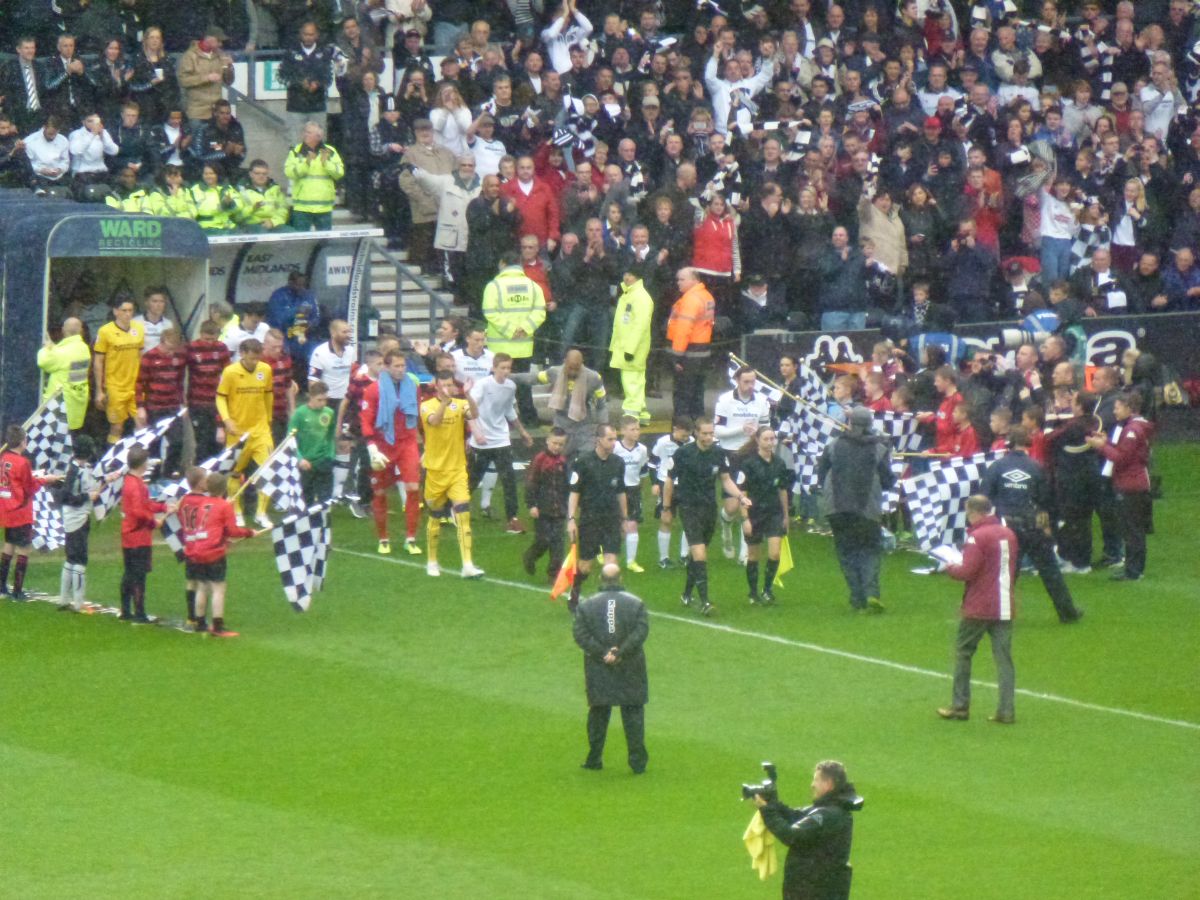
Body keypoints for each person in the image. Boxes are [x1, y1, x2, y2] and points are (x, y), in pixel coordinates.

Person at [980, 426, 1084, 623]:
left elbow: (985, 497)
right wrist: (1049, 526)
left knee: (1006, 574)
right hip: (1034, 527)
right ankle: (1067, 612)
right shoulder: (1037, 467)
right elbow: (1047, 499)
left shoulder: (997, 467)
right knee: (1050, 572)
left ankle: (994, 613)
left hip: (1007, 528)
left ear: (1008, 444)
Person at [938, 495, 1018, 725]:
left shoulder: (977, 537)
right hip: (1005, 605)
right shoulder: (1008, 534)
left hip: (979, 606)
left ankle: (960, 706)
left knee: (964, 652)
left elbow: (967, 571)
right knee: (1004, 659)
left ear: (973, 512)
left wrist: (950, 567)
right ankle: (1006, 710)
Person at [663, 416, 749, 618]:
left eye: (711, 433)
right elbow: (669, 480)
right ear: (696, 433)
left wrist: (739, 496)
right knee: (700, 554)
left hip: (709, 508)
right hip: (689, 507)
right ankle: (705, 601)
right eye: (705, 433)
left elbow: (726, 480)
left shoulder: (719, 454)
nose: (709, 437)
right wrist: (667, 507)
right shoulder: (683, 454)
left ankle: (686, 593)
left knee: (697, 555)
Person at [572, 563, 649, 774]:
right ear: (621, 579)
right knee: (633, 713)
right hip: (630, 665)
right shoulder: (636, 604)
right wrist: (619, 652)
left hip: (599, 666)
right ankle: (637, 763)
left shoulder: (587, 605)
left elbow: (580, 634)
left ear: (600, 579)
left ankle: (594, 758)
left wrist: (602, 653)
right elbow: (641, 632)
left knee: (598, 713)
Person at [817, 406, 895, 615]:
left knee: (846, 552)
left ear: (850, 424)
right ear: (870, 425)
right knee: (869, 551)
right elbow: (888, 480)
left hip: (836, 508)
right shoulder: (879, 448)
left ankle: (856, 597)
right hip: (867, 509)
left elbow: (821, 472)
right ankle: (871, 594)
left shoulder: (833, 445)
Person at [754, 760, 861, 900]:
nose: (812, 785)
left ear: (828, 784)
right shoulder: (831, 809)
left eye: (816, 780)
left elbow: (790, 835)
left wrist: (766, 811)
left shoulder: (828, 814)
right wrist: (773, 803)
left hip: (816, 892)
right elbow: (794, 816)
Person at [421, 370, 485, 578]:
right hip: (436, 471)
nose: (448, 388)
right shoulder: (427, 406)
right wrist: (444, 403)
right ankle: (432, 561)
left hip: (457, 469)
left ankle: (467, 564)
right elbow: (435, 422)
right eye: (444, 384)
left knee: (463, 514)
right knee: (435, 517)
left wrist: (468, 396)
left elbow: (474, 415)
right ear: (437, 386)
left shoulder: (460, 404)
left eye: (451, 384)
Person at [360, 350, 423, 556]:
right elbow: (366, 419)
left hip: (407, 443)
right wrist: (371, 448)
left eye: (403, 366)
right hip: (382, 444)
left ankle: (411, 538)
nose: (400, 370)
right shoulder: (373, 390)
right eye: (396, 366)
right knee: (379, 492)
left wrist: (421, 438)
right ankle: (384, 538)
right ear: (386, 367)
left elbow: (416, 414)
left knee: (413, 488)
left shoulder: (412, 387)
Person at [178, 470, 255, 635]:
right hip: (214, 552)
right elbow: (233, 530)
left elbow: (211, 526)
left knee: (202, 586)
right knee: (218, 588)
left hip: (198, 550)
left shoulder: (202, 503)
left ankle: (199, 622)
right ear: (224, 487)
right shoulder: (224, 506)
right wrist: (249, 532)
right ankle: (218, 626)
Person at [1086, 392, 1154, 582]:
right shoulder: (1134, 427)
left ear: (1128, 407)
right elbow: (1122, 450)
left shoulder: (1132, 430)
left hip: (1131, 485)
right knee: (1132, 529)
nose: (1114, 411)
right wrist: (1106, 441)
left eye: (1117, 407)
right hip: (1133, 483)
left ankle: (1133, 571)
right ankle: (1133, 568)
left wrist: (1101, 446)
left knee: (1132, 530)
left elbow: (1121, 458)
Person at [467, 353, 531, 534]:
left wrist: (522, 431)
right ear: (494, 368)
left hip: (501, 439)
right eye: (502, 368)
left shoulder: (510, 386)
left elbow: (509, 410)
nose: (505, 372)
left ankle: (512, 519)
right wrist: (476, 432)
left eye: (508, 368)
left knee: (509, 479)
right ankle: (455, 509)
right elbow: (469, 409)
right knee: (473, 478)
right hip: (482, 441)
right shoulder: (483, 385)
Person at [567, 424, 628, 612]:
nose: (614, 442)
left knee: (612, 565)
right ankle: (574, 594)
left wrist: (625, 518)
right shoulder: (583, 462)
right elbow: (574, 492)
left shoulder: (618, 463)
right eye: (610, 439)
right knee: (585, 565)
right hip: (590, 520)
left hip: (611, 519)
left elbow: (621, 491)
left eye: (615, 438)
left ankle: (610, 604)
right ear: (598, 440)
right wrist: (571, 519)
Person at [480, 252, 546, 425]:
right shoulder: (532, 286)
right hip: (523, 346)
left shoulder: (494, 286)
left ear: (502, 264)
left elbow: (490, 313)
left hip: (499, 349)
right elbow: (540, 312)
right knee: (524, 386)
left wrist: (510, 330)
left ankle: (499, 419)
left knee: (499, 384)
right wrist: (525, 329)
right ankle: (529, 419)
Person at [215, 338, 275, 529]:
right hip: (238, 432)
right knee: (235, 473)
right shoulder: (230, 372)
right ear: (242, 354)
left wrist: (269, 419)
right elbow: (220, 398)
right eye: (250, 359)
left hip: (260, 430)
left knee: (268, 470)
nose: (254, 362)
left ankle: (261, 513)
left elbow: (268, 394)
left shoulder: (265, 370)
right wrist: (226, 420)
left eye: (256, 359)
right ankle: (237, 511)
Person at [0, 426, 59, 600]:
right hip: (21, 510)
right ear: (22, 442)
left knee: (9, 544)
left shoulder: (3, 458)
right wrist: (45, 480)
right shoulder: (23, 462)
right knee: (24, 548)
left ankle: (2, 585)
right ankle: (18, 591)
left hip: (7, 508)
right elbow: (30, 487)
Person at [735, 427, 792, 606]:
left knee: (774, 553)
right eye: (766, 439)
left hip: (774, 513)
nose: (770, 443)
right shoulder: (749, 464)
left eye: (772, 439)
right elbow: (742, 493)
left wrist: (786, 515)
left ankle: (767, 589)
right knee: (753, 555)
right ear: (758, 441)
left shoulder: (779, 464)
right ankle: (752, 593)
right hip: (755, 513)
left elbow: (782, 490)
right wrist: (745, 518)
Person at [119, 446, 171, 622]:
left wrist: (163, 507)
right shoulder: (136, 485)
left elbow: (145, 504)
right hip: (138, 536)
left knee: (129, 573)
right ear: (143, 464)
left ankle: (126, 610)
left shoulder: (131, 481)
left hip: (129, 535)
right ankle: (139, 613)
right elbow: (138, 511)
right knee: (138, 575)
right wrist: (153, 521)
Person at [55, 434, 100, 611]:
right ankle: (78, 603)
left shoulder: (78, 468)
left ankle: (64, 600)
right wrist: (86, 496)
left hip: (74, 516)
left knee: (70, 557)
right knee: (80, 558)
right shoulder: (75, 471)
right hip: (77, 517)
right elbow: (65, 496)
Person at [92, 295, 144, 445]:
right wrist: (99, 390)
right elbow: (98, 360)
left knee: (142, 423)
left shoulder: (138, 329)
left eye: (130, 310)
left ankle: (139, 461)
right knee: (117, 427)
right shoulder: (105, 331)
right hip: (115, 386)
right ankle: (112, 462)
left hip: (135, 385)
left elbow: (140, 356)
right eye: (124, 310)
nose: (128, 314)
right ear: (115, 311)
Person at [666, 268, 715, 420]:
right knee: (697, 393)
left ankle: (681, 430)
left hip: (688, 353)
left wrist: (677, 356)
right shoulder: (706, 296)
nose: (678, 283)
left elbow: (683, 330)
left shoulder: (690, 300)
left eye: (682, 279)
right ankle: (698, 427)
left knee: (683, 396)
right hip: (702, 351)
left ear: (694, 280)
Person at [523, 427, 569, 583]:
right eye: (555, 443)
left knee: (558, 543)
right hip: (542, 509)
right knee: (544, 540)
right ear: (547, 441)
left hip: (560, 509)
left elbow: (567, 485)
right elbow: (531, 483)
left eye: (561, 444)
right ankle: (531, 556)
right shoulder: (540, 459)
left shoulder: (564, 461)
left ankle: (553, 574)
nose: (557, 447)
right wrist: (532, 505)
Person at [608, 269, 654, 422]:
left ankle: (632, 414)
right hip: (629, 346)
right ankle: (640, 412)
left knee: (631, 381)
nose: (626, 277)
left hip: (631, 348)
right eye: (625, 274)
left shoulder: (639, 297)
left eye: (630, 274)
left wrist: (630, 349)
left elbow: (640, 325)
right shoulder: (631, 294)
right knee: (636, 380)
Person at [284, 121, 344, 231]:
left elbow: (339, 173)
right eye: (305, 132)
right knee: (301, 241)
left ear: (319, 136)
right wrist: (306, 163)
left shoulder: (330, 151)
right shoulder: (295, 151)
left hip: (324, 206)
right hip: (302, 206)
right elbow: (289, 173)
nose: (305, 134)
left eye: (309, 132)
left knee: (324, 242)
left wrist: (326, 163)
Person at [185, 320, 231, 463]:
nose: (209, 343)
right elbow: (181, 371)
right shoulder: (191, 348)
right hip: (197, 401)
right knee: (202, 441)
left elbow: (228, 373)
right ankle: (199, 472)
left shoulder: (222, 348)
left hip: (217, 401)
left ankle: (215, 473)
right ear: (200, 334)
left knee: (218, 441)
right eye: (206, 339)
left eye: (213, 339)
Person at [649, 417, 692, 570]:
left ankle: (684, 555)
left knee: (689, 519)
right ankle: (664, 558)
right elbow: (652, 463)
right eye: (683, 435)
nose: (685, 439)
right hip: (665, 483)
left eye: (688, 436)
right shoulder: (662, 442)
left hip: (686, 484)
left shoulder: (692, 442)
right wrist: (654, 482)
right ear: (675, 429)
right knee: (666, 519)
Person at [37, 317, 91, 431]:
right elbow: (66, 359)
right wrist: (54, 348)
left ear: (63, 330)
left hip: (61, 405)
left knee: (56, 439)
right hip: (77, 400)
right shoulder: (84, 348)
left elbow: (43, 362)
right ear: (81, 330)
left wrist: (46, 348)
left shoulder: (62, 352)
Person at [289, 380, 336, 504]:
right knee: (306, 499)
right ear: (311, 397)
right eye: (319, 400)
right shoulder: (300, 414)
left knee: (325, 499)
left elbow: (331, 436)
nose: (323, 403)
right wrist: (300, 459)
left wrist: (330, 455)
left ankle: (324, 523)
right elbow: (290, 439)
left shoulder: (329, 413)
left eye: (325, 400)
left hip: (323, 460)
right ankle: (307, 522)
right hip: (306, 462)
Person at [613, 416, 649, 573]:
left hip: (633, 490)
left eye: (638, 429)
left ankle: (630, 561)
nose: (636, 432)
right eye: (632, 429)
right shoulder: (615, 447)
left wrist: (640, 488)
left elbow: (643, 471)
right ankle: (604, 550)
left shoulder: (642, 449)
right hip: (616, 491)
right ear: (623, 431)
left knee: (632, 524)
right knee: (616, 525)